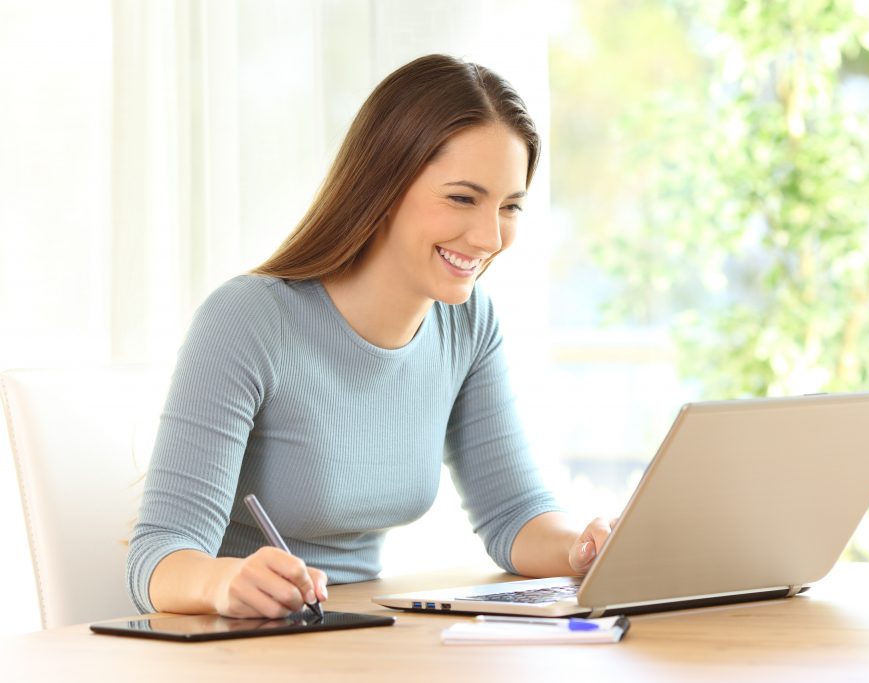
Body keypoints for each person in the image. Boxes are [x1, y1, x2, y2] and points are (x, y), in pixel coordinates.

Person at [127, 54, 615, 619]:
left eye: (509, 206)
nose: (489, 236)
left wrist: (585, 548)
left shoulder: (468, 325)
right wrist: (222, 582)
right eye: (462, 198)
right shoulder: (247, 320)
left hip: (355, 634)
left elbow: (514, 514)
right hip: (237, 645)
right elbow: (158, 557)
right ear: (383, 184)